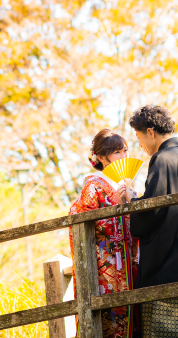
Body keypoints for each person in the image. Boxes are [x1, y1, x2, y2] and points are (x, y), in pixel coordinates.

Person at [116, 105, 178, 338]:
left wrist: (131, 201)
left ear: (151, 132)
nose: (139, 144)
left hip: (171, 269)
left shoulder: (162, 159)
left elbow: (153, 212)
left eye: (139, 137)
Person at [69, 129, 140, 338]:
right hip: (105, 263)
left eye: (125, 150)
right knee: (109, 320)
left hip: (126, 259)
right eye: (117, 152)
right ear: (101, 157)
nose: (124, 156)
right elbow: (77, 215)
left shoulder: (122, 184)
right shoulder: (93, 186)